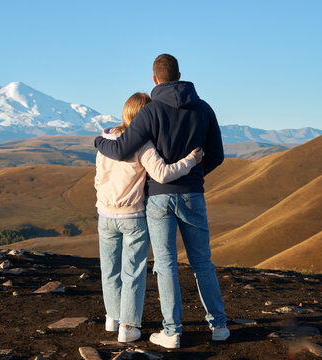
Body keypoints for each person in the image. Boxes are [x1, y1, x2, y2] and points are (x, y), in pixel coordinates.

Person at [94, 54, 229, 349]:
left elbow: (122, 149)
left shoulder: (151, 111)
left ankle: (172, 331)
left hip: (158, 198)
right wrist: (193, 174)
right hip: (193, 194)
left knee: (165, 265)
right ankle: (219, 325)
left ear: (155, 79)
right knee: (202, 262)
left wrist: (99, 141)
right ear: (179, 75)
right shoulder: (204, 109)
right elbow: (217, 155)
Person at [95, 92, 202, 343]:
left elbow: (98, 178)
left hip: (105, 214)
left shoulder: (106, 140)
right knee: (132, 272)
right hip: (132, 215)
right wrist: (190, 161)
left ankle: (112, 317)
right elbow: (163, 174)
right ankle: (128, 327)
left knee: (109, 270)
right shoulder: (143, 144)